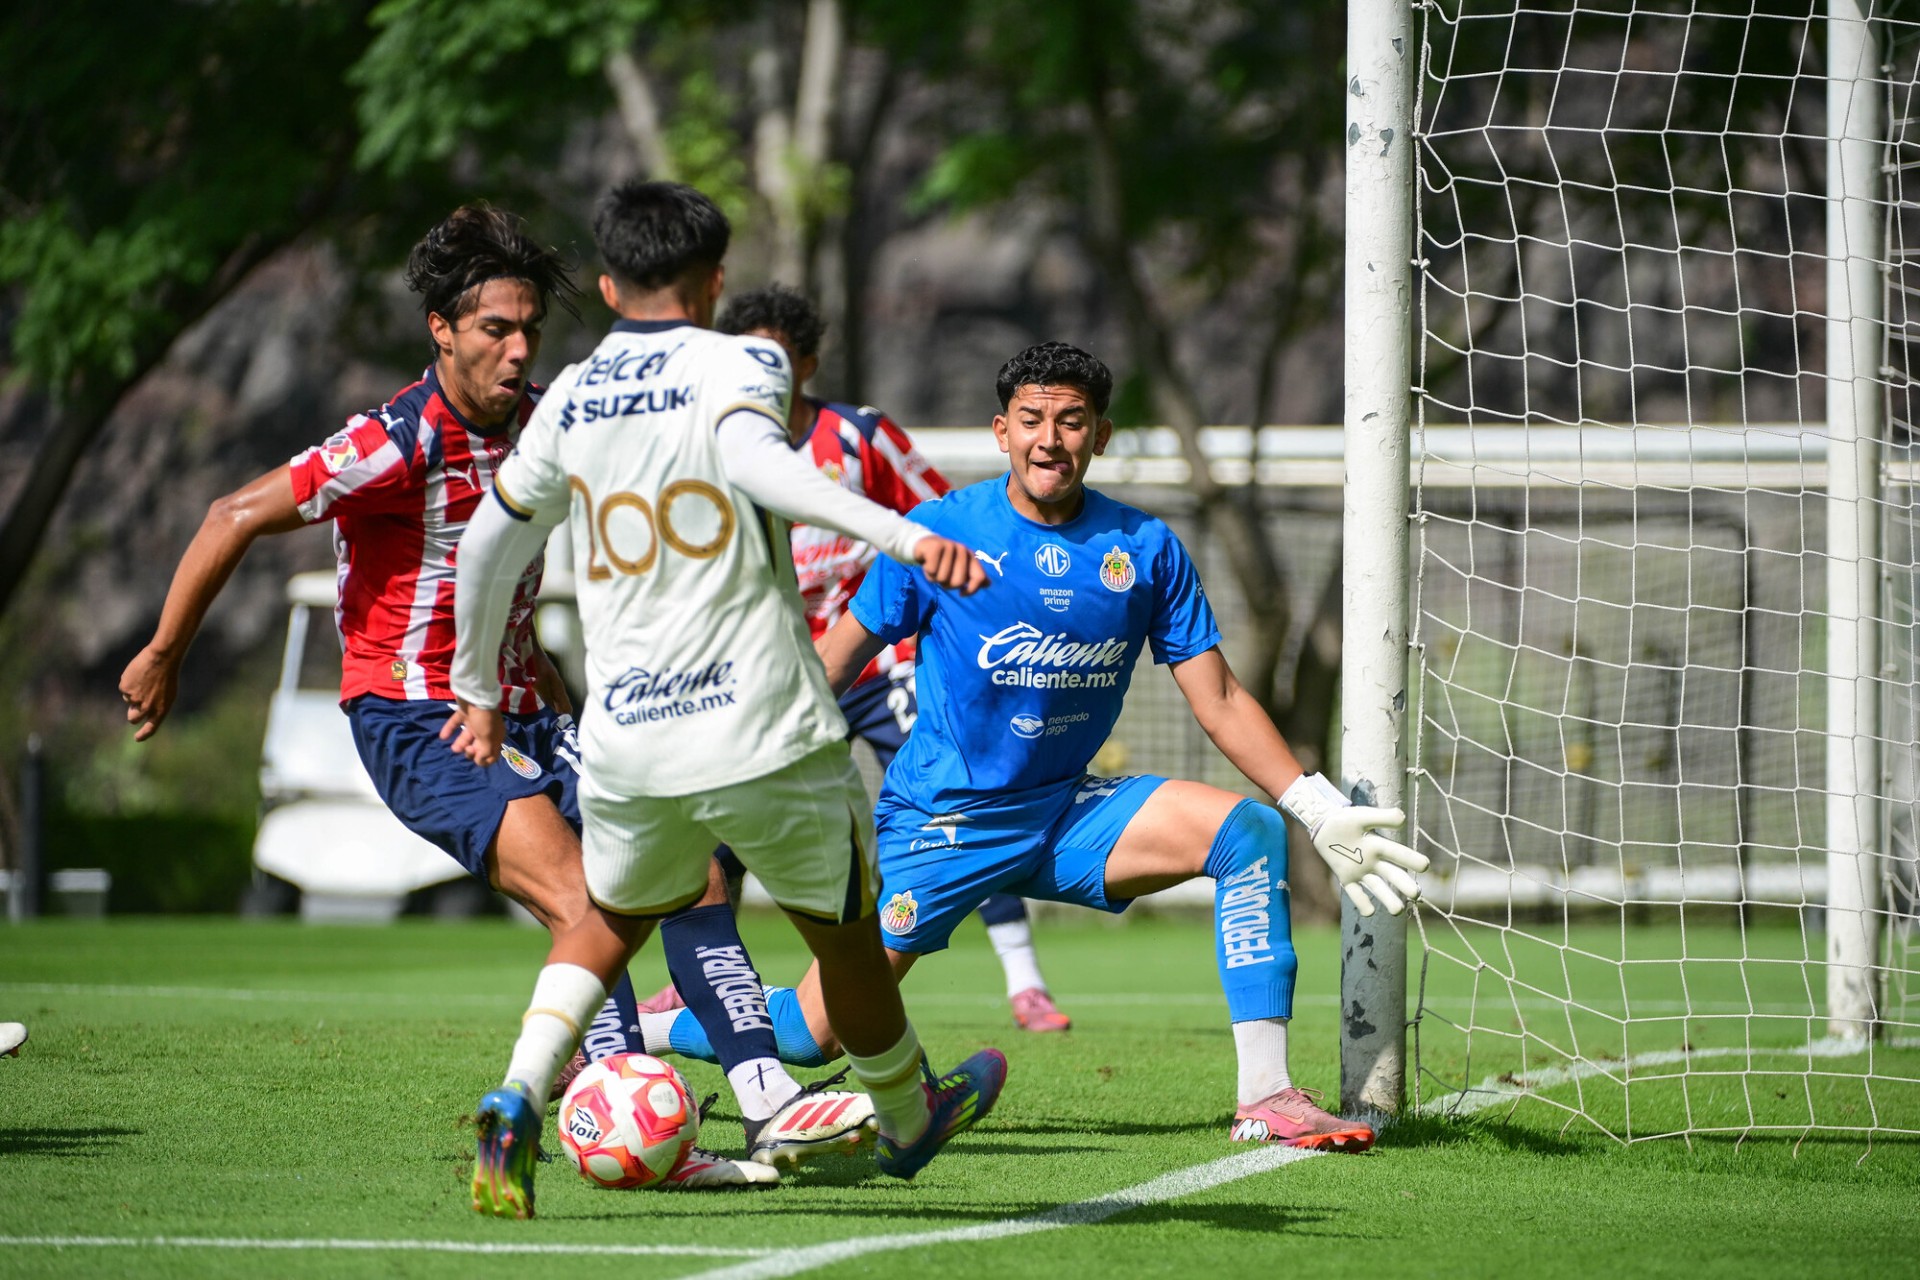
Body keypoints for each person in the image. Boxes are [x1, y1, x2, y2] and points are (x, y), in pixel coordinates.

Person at [116, 205, 867, 1187]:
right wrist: (164, 652)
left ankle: (771, 1102)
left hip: (528, 709)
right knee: (582, 896)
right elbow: (232, 513)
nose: (517, 351)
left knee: (696, 876)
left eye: (529, 331)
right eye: (494, 330)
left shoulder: (550, 419)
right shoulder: (395, 439)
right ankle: (626, 1123)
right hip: (419, 718)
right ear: (441, 329)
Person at [446, 180, 1005, 1220]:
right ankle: (907, 1114)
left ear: (607, 285)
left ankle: (518, 1094)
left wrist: (476, 688)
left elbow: (486, 547)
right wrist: (903, 534)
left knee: (609, 918)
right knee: (846, 934)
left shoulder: (571, 395)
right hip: (760, 726)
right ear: (712, 282)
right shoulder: (745, 361)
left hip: (627, 734)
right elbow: (758, 462)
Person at [795, 341, 1428, 1150]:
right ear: (1001, 431)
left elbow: (1220, 699)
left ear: (1099, 435)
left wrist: (1315, 806)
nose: (1049, 440)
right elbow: (834, 662)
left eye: (1070, 421)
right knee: (809, 1037)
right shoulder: (938, 532)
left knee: (1248, 832)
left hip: (1066, 812)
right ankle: (677, 1021)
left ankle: (1267, 1095)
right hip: (944, 824)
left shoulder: (1145, 548)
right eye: (1031, 420)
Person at [633, 285, 1070, 1046]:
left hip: (876, 663)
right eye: (747, 358)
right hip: (772, 674)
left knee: (961, 803)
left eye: (777, 358)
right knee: (725, 823)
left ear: (806, 363)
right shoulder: (708, 451)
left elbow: (946, 521)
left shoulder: (859, 437)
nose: (763, 373)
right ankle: (701, 978)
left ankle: (1025, 982)